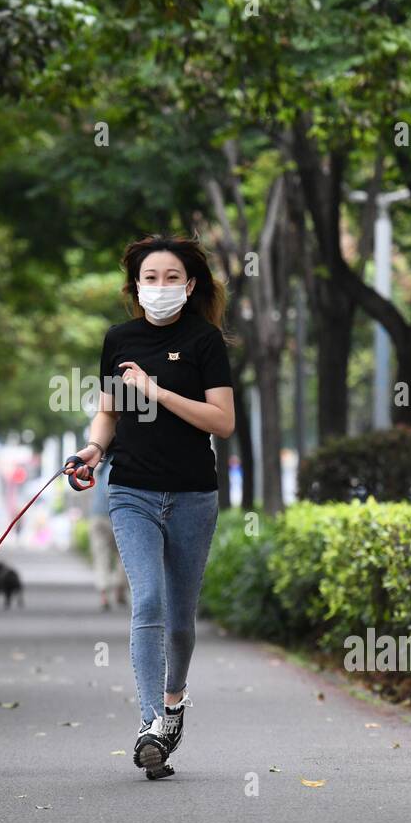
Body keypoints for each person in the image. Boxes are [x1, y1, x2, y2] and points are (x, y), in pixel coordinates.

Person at [70, 234, 235, 780]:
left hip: (193, 494)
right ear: (135, 286)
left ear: (189, 286)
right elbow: (109, 415)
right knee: (149, 602)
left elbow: (222, 422)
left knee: (181, 622)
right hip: (131, 490)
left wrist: (159, 391)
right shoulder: (118, 340)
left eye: (171, 278)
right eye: (149, 278)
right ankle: (150, 727)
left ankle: (174, 703)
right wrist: (93, 451)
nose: (159, 287)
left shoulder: (205, 341)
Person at [86, 456, 128, 611]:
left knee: (100, 555)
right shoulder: (123, 460)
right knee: (123, 555)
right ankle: (119, 589)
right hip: (117, 515)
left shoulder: (101, 463)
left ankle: (104, 593)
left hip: (97, 515)